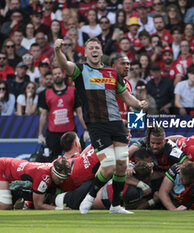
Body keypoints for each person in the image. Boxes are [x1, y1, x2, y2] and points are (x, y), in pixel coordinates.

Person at [54, 37, 147, 214]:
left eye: (97, 47)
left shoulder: (112, 73)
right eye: (91, 48)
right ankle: (89, 197)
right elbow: (65, 65)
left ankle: (116, 205)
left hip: (117, 124)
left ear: (101, 52)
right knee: (110, 165)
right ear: (86, 52)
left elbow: (125, 96)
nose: (94, 50)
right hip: (97, 124)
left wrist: (139, 104)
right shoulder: (80, 70)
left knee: (121, 165)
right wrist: (58, 51)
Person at [38, 67, 88, 162]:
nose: (57, 75)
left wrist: (86, 129)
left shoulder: (73, 91)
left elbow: (80, 112)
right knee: (53, 160)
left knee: (74, 159)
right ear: (52, 77)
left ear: (64, 75)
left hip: (70, 132)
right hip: (53, 133)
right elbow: (43, 115)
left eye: (59, 73)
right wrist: (40, 134)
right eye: (55, 74)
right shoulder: (46, 94)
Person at [0, 157, 71, 210]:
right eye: (60, 178)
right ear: (54, 173)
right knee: (4, 206)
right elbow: (39, 206)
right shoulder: (44, 176)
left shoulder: (53, 167)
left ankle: (22, 201)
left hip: (10, 168)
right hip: (1, 168)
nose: (62, 181)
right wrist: (59, 209)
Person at [112, 54, 132, 120]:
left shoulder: (128, 83)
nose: (126, 66)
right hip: (112, 124)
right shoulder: (109, 83)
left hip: (124, 126)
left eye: (128, 64)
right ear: (113, 66)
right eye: (123, 64)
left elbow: (128, 106)